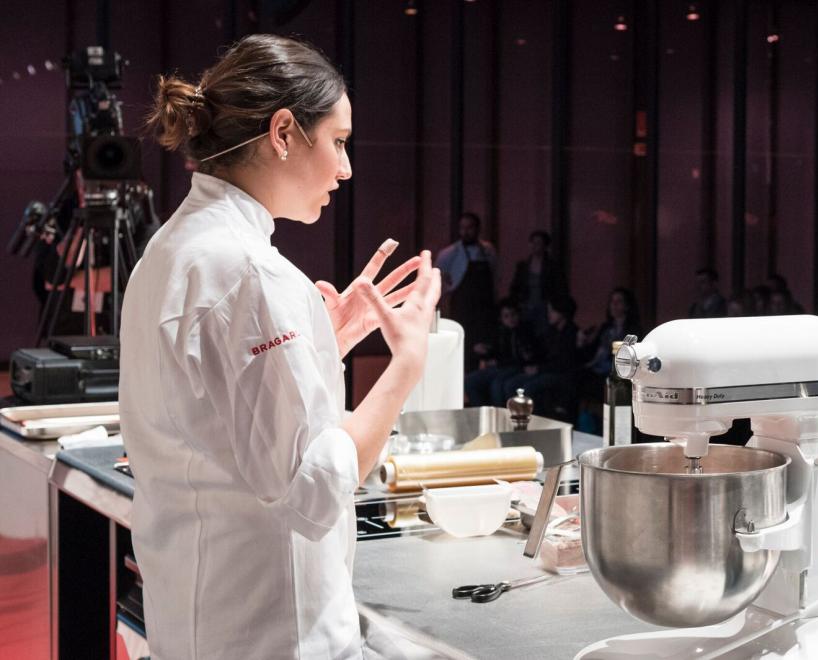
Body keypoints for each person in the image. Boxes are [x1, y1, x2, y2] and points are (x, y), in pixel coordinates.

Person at [121, 35, 441, 659]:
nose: (347, 169)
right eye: (340, 141)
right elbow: (315, 490)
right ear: (285, 132)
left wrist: (326, 343)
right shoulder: (253, 274)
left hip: (199, 624)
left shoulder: (169, 251)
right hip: (269, 635)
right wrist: (406, 365)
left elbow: (218, 411)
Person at [436, 212, 498, 368]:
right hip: (462, 307)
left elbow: (496, 276)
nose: (465, 231)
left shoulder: (488, 251)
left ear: (477, 228)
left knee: (484, 347)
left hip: (484, 308)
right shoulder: (449, 253)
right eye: (462, 228)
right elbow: (439, 280)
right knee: (463, 346)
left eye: (469, 227)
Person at [508, 229, 568, 334]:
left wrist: (557, 307)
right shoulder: (523, 266)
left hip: (545, 307)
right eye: (533, 242)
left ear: (545, 246)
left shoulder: (552, 266)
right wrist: (516, 303)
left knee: (543, 334)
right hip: (526, 306)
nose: (535, 245)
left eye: (539, 243)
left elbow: (560, 287)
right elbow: (515, 286)